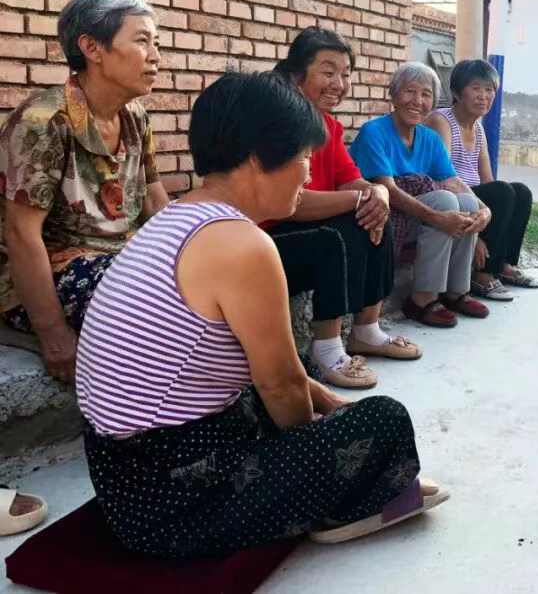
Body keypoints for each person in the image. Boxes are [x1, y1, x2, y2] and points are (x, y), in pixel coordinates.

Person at [75, 72, 447, 559]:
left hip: (123, 477)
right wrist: (322, 454)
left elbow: (274, 371)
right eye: (303, 158)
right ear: (257, 159)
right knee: (386, 418)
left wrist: (324, 400)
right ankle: (339, 505)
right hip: (177, 502)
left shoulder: (175, 217)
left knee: (301, 368)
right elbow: (280, 388)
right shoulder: (243, 243)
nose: (309, 176)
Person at [0, 0, 168, 383]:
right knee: (152, 299)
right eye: (142, 41)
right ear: (92, 48)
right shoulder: (44, 122)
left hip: (122, 260)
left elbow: (154, 199)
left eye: (156, 43)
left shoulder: (135, 117)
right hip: (55, 271)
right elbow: (21, 235)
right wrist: (54, 334)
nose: (156, 56)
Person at [268, 28, 421, 389]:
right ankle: (326, 349)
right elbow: (289, 205)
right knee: (342, 231)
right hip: (268, 240)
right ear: (297, 75)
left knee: (377, 215)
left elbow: (352, 180)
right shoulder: (280, 123)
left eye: (346, 73)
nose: (339, 83)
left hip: (311, 231)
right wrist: (362, 199)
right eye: (328, 71)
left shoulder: (328, 126)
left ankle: (367, 330)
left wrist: (378, 195)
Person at [349, 63, 491, 328]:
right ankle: (421, 299)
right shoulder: (374, 131)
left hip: (413, 216)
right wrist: (437, 217)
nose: (417, 101)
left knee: (467, 201)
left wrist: (484, 209)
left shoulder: (429, 138)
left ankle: (455, 292)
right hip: (379, 217)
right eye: (409, 91)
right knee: (445, 201)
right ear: (393, 96)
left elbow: (453, 181)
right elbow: (388, 191)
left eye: (426, 94)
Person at [425, 59, 538, 301]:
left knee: (520, 192)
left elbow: (487, 179)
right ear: (457, 92)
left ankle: (504, 265)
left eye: (489, 90)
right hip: (452, 196)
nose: (483, 96)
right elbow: (442, 178)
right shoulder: (441, 121)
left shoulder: (478, 128)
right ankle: (482, 275)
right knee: (502, 192)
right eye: (476, 88)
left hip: (473, 196)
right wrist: (474, 238)